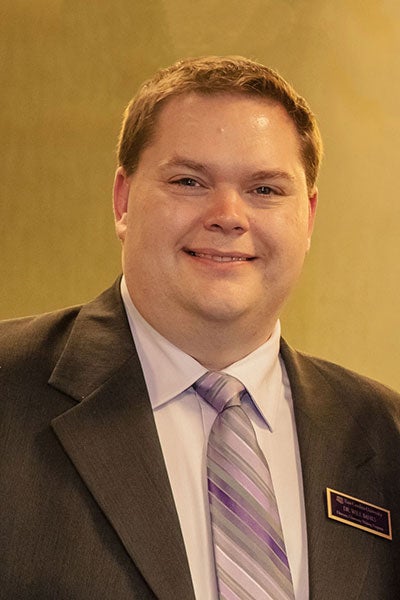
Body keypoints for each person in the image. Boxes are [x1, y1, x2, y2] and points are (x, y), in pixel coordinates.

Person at [1, 56, 399, 600]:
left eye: (265, 190)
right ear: (123, 200)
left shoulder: (386, 436)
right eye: (189, 181)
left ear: (308, 217)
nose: (228, 214)